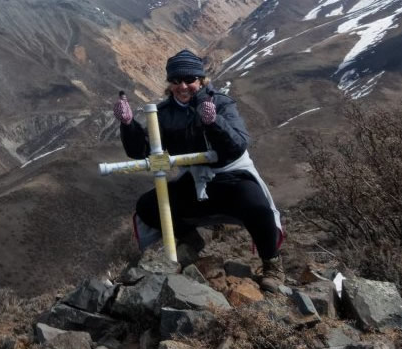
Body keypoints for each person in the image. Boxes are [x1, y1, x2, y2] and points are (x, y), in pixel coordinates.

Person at [113, 49, 285, 288]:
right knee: (148, 207)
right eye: (175, 81)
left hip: (231, 175)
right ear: (169, 83)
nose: (182, 86)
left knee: (258, 207)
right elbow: (143, 151)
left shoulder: (222, 103)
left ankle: (272, 265)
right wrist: (128, 125)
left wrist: (214, 123)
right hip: (194, 178)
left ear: (201, 80)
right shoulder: (163, 114)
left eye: (189, 80)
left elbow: (237, 145)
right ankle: (190, 239)